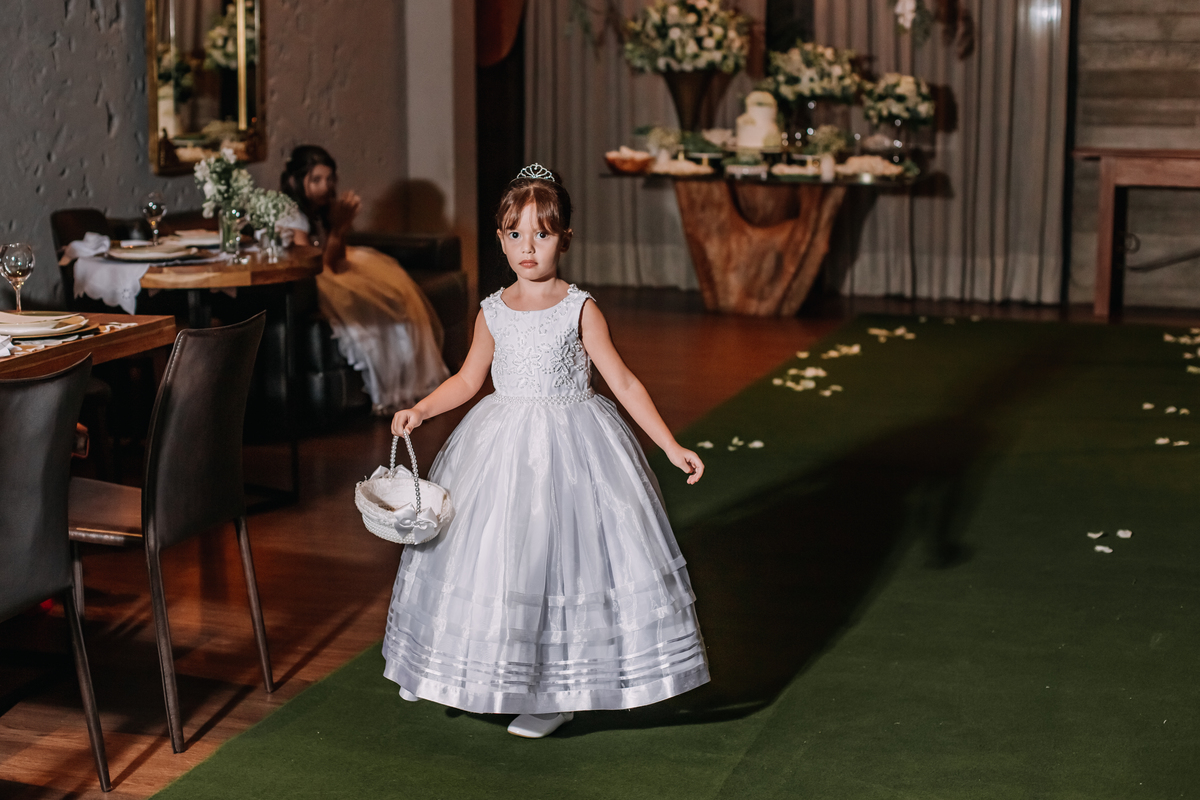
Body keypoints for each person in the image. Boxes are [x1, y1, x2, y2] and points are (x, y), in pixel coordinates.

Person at [384, 164, 709, 739]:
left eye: (542, 233)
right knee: (485, 556)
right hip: (499, 447)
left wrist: (669, 444)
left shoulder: (579, 308)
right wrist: (421, 409)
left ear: (565, 238)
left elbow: (623, 382)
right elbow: (467, 380)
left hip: (573, 450)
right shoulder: (492, 310)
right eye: (515, 234)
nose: (527, 247)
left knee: (559, 563)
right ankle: (440, 664)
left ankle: (554, 691)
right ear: (500, 239)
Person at [280, 145, 449, 414]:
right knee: (370, 305)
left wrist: (339, 227)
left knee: (394, 296)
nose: (325, 187)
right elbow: (315, 267)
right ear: (294, 181)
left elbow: (336, 259)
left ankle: (411, 386)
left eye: (329, 179)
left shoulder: (321, 209)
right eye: (316, 180)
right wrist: (338, 228)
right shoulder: (290, 213)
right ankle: (390, 390)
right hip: (309, 279)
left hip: (331, 269)